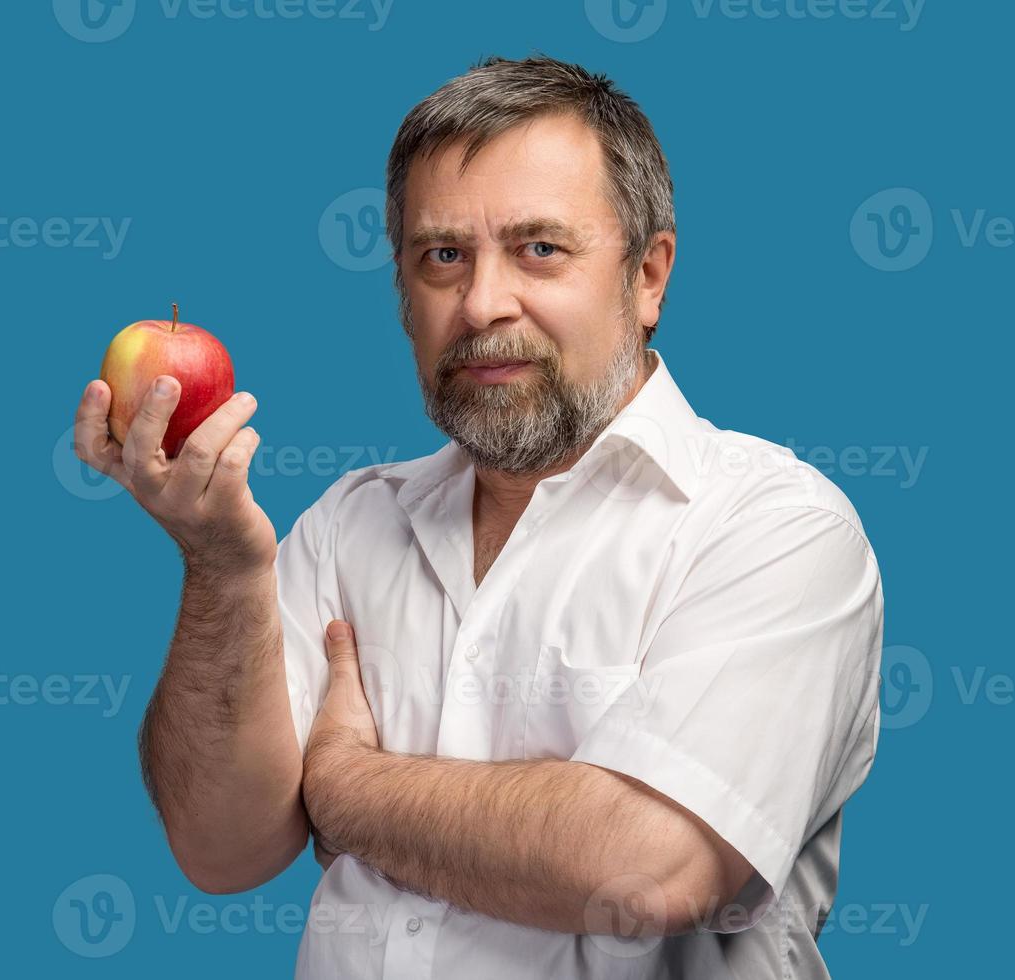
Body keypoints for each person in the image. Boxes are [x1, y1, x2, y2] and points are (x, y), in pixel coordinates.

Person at [72, 54, 883, 980]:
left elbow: (647, 868)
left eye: (540, 249)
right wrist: (219, 566)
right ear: (403, 296)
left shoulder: (773, 528)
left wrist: (344, 787)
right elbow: (219, 849)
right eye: (443, 256)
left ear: (647, 276)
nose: (482, 303)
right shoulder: (346, 527)